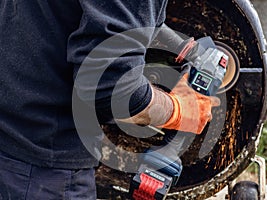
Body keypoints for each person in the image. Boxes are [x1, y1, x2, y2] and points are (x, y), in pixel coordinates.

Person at [0, 0, 219, 199]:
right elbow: (112, 88)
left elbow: (104, 12)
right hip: (42, 174)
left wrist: (186, 49)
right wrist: (178, 111)